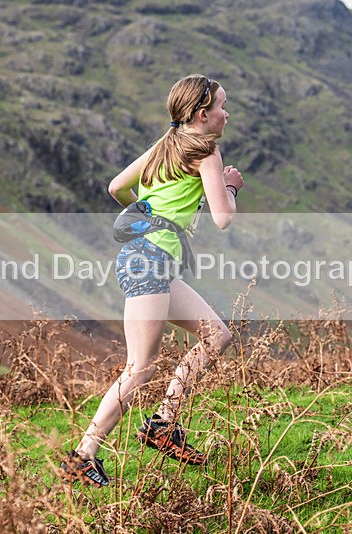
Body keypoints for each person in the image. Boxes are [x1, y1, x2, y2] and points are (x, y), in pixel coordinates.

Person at [61, 74, 244, 487]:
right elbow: (223, 217)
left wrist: (145, 213)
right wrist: (231, 187)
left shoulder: (165, 145)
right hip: (151, 263)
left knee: (216, 336)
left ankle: (162, 424)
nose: (226, 113)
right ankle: (82, 456)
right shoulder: (207, 153)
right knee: (139, 367)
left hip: (147, 259)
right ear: (202, 114)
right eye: (221, 106)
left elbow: (116, 188)